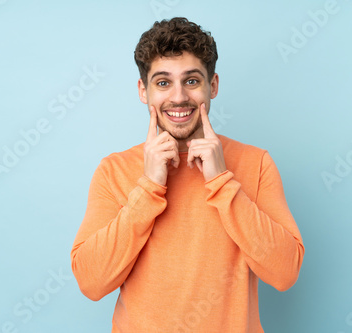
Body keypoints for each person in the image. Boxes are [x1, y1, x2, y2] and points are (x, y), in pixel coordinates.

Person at [71, 17, 304, 332]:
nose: (178, 97)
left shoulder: (256, 163)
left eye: (192, 81)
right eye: (163, 82)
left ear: (213, 85)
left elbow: (285, 272)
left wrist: (222, 182)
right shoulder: (113, 170)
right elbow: (91, 282)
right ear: (144, 90)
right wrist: (149, 186)